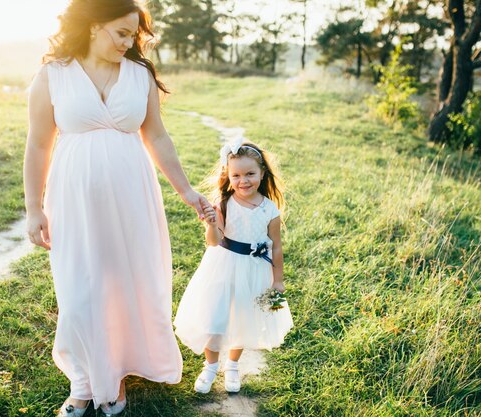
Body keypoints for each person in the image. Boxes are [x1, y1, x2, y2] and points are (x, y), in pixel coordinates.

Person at [22, 1, 210, 415]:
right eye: (122, 33)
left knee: (128, 281)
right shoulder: (52, 76)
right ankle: (84, 381)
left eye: (134, 35)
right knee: (80, 286)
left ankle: (117, 373)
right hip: (74, 199)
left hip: (132, 196)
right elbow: (38, 144)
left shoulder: (139, 75)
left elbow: (157, 138)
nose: (130, 42)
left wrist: (187, 192)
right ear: (93, 27)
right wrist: (33, 208)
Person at [173, 139, 293, 394]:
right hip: (223, 266)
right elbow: (214, 242)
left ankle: (233, 365)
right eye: (236, 175)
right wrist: (211, 223)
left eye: (250, 174)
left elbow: (277, 247)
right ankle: (211, 365)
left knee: (243, 317)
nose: (244, 181)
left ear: (262, 173)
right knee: (214, 315)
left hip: (253, 270)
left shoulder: (270, 210)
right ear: (228, 176)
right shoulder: (225, 204)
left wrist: (278, 279)